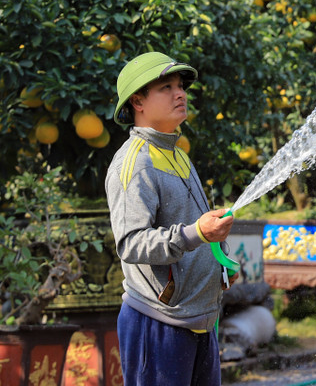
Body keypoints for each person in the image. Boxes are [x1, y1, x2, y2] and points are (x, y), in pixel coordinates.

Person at [106, 51, 234, 386]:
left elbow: (196, 229)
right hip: (158, 322)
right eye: (167, 87)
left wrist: (221, 268)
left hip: (199, 320)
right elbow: (131, 243)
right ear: (138, 101)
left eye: (181, 86)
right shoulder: (134, 163)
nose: (181, 93)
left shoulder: (178, 155)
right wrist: (197, 232)